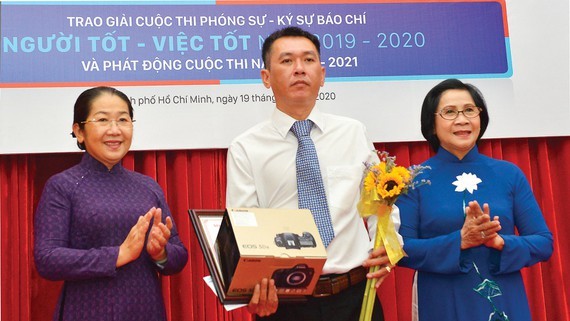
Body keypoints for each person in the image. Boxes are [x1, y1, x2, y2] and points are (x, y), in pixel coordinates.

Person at [226, 26, 395, 321]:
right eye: (287, 61)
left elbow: (381, 200)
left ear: (322, 73)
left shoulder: (353, 132)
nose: (300, 69)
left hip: (354, 296)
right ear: (266, 77)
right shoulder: (246, 147)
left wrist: (391, 246)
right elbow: (244, 228)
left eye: (308, 60)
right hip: (285, 304)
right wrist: (252, 288)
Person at [395, 79, 553, 321]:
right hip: (442, 301)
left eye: (470, 110)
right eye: (449, 112)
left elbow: (543, 243)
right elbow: (401, 250)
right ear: (432, 123)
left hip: (505, 299)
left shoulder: (509, 174)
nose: (462, 120)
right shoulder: (412, 179)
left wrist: (501, 243)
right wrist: (459, 240)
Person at [34, 86, 189, 321]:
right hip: (86, 311)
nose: (115, 130)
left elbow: (178, 256)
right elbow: (48, 259)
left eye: (123, 120)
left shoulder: (148, 187)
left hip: (145, 311)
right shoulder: (62, 186)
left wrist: (160, 254)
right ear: (79, 131)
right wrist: (118, 254)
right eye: (103, 120)